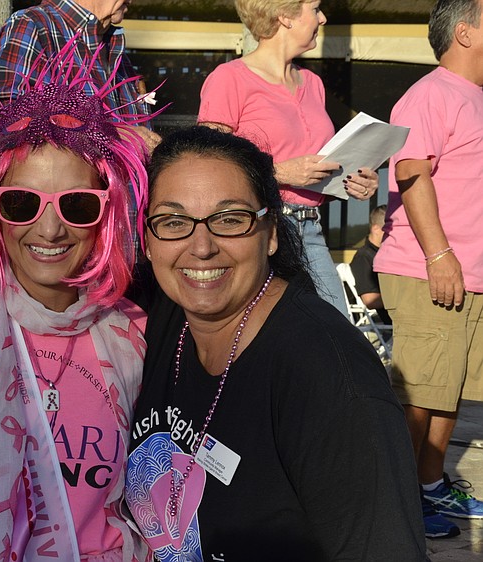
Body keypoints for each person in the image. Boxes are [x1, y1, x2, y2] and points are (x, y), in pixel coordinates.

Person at [125, 126, 427, 561]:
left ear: (270, 233)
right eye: (173, 222)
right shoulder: (163, 315)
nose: (202, 247)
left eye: (230, 219)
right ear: (148, 241)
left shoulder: (327, 378)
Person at [0, 41, 150, 562]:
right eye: (21, 203)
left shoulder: (137, 335)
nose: (49, 228)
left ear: (105, 214)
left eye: (77, 204)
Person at [373, 0, 483, 540]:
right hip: (428, 270)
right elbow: (411, 173)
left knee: (447, 390)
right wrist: (439, 256)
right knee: (419, 395)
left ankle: (430, 482)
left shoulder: (474, 96)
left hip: (469, 275)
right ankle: (394, 501)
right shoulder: (432, 94)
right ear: (465, 33)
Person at [197, 0, 379, 317]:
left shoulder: (314, 85)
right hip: (259, 228)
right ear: (286, 16)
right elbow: (208, 162)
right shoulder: (230, 78)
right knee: (267, 335)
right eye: (315, 8)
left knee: (337, 328)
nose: (322, 19)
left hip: (312, 228)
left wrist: (352, 180)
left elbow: (315, 168)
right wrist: (280, 173)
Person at [0, 0, 160, 152]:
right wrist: (112, 135)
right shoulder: (33, 25)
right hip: (60, 196)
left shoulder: (114, 49)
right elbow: (8, 125)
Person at [350, 204, 391, 324]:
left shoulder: (382, 254)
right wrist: (406, 297)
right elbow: (370, 300)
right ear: (376, 229)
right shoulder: (364, 257)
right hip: (388, 321)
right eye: (389, 230)